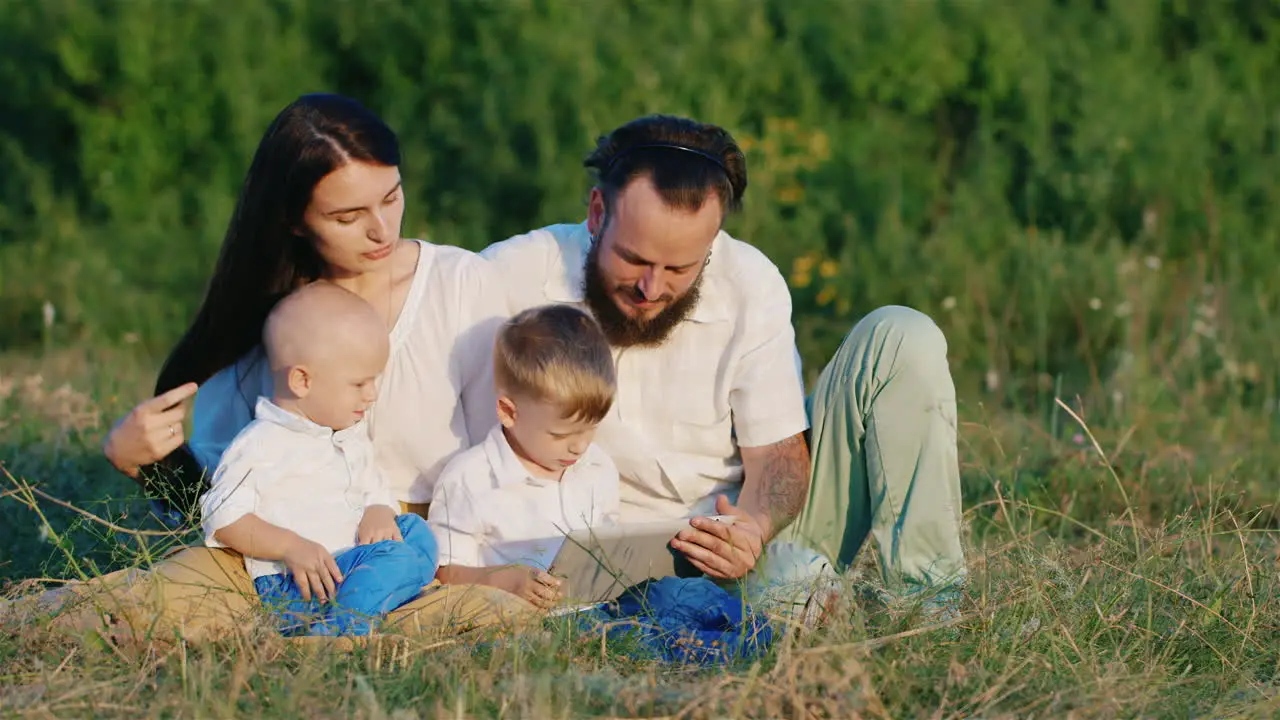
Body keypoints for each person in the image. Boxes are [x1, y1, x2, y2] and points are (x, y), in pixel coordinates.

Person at [52, 92, 535, 647]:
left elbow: (499, 461)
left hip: (414, 564)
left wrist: (467, 565)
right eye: (348, 216)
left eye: (392, 197)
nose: (382, 229)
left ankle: (325, 638)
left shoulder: (462, 285)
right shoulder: (274, 316)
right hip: (280, 563)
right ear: (295, 221)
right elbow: (221, 496)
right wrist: (145, 463)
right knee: (134, 607)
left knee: (496, 618)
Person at [479, 114, 967, 617]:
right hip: (581, 563)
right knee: (790, 594)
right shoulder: (509, 276)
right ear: (597, 212)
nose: (652, 289)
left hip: (734, 539)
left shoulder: (750, 281)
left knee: (903, 335)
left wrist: (753, 525)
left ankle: (931, 610)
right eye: (634, 259)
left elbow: (779, 455)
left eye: (679, 268)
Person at [199, 283, 439, 636]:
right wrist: (290, 546)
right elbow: (222, 515)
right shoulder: (261, 443)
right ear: (302, 380)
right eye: (359, 384)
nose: (372, 395)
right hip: (301, 581)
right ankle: (335, 634)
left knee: (416, 532)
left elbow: (374, 486)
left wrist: (378, 510)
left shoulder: (346, 435)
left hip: (353, 558)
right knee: (399, 559)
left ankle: (375, 597)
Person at [429, 304, 620, 611]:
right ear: (508, 412)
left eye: (592, 429)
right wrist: (506, 581)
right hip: (517, 623)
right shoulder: (470, 479)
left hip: (599, 614)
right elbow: (444, 573)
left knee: (678, 596)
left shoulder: (597, 466)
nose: (579, 446)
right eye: (560, 435)